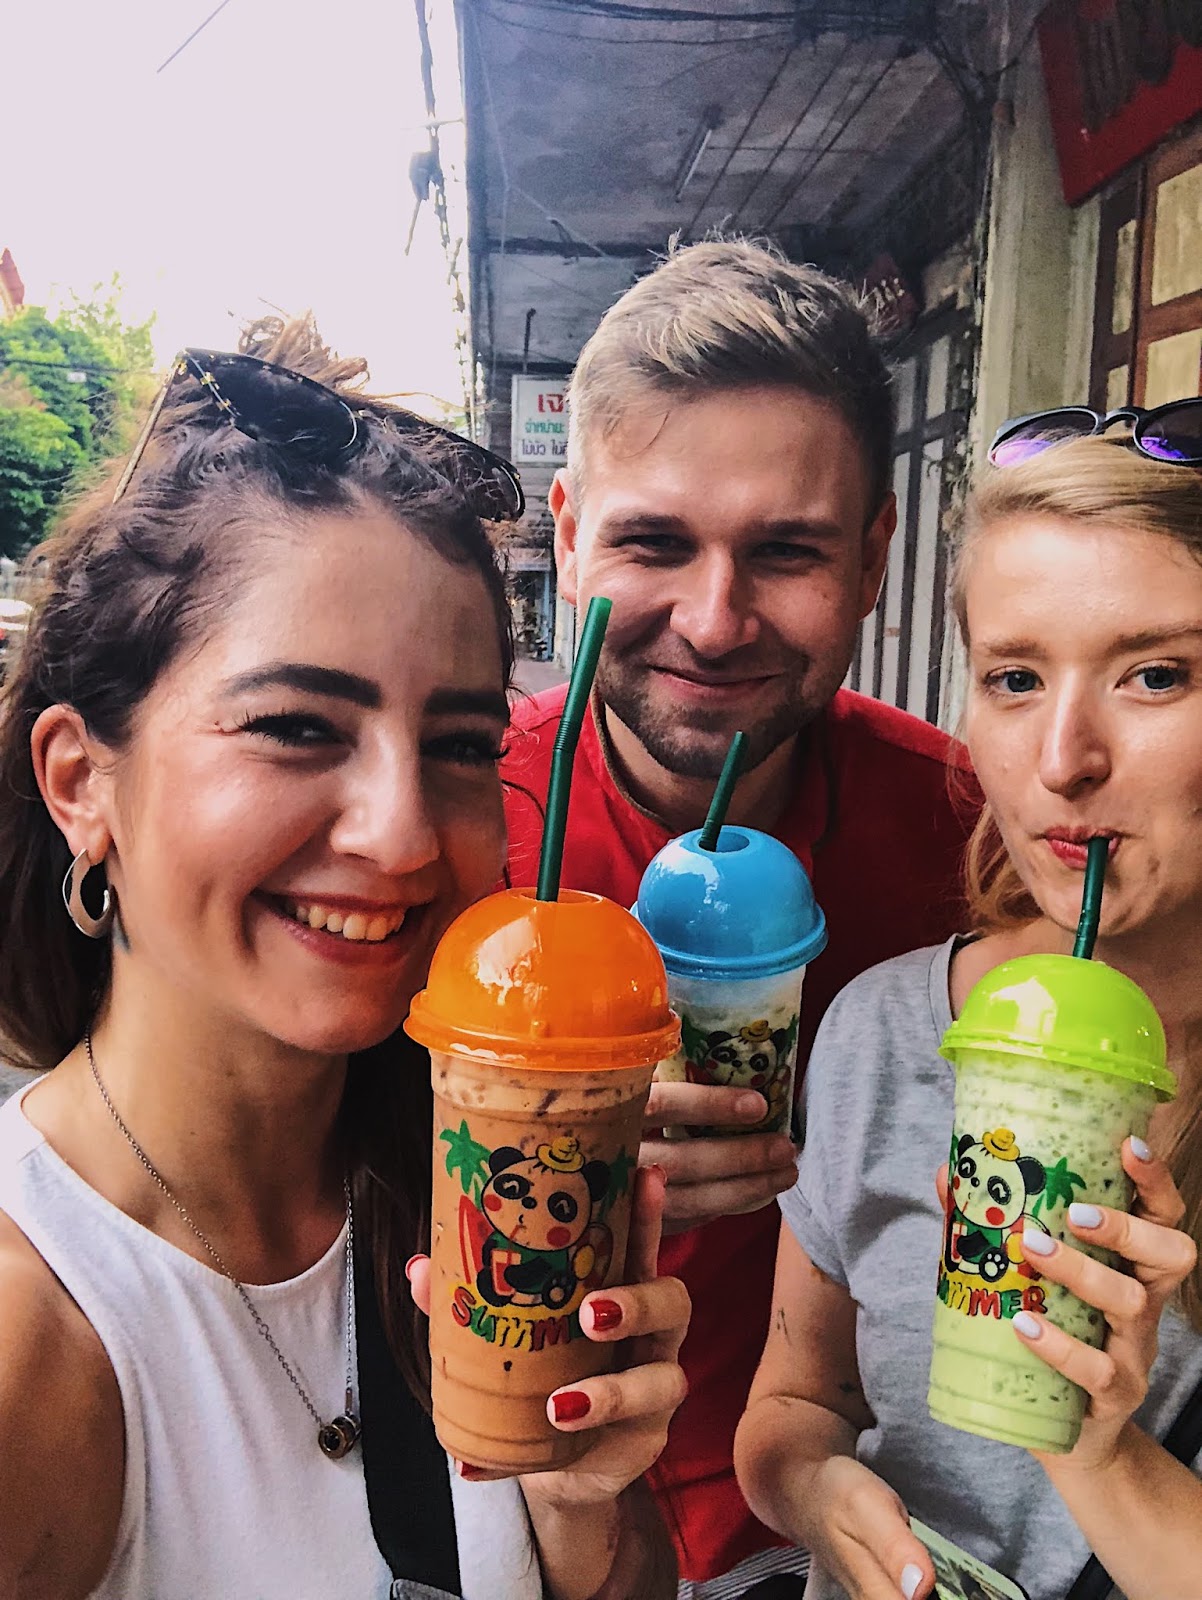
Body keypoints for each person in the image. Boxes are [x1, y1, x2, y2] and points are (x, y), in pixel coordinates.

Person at [0, 322, 689, 1600]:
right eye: (296, 725)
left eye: (460, 743)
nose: (402, 834)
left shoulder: (459, 1185)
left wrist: (578, 1497)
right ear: (81, 782)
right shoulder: (32, 1330)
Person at [501, 238, 975, 1597]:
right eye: (652, 542)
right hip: (511, 1512)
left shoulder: (968, 841)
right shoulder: (454, 832)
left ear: (873, 556)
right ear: (568, 533)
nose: (713, 624)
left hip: (844, 1535)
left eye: (784, 552)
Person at [734, 420, 1202, 1600]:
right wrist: (818, 1493)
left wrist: (1095, 1451)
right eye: (1013, 678)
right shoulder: (884, 1030)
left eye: (1154, 674)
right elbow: (793, 1401)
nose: (1062, 757)